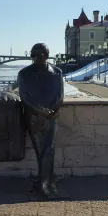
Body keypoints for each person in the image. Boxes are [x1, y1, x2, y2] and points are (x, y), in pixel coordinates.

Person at [17, 43, 64, 197]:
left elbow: (60, 95)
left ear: (47, 55)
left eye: (42, 55)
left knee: (49, 149)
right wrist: (39, 111)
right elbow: (25, 97)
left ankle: (44, 182)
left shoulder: (57, 72)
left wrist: (51, 111)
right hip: (33, 117)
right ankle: (46, 182)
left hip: (52, 116)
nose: (39, 58)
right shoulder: (23, 74)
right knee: (41, 152)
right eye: (36, 56)